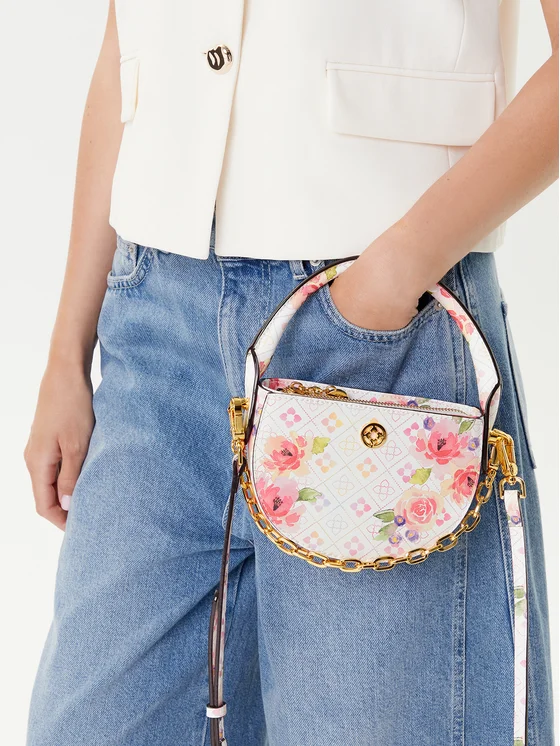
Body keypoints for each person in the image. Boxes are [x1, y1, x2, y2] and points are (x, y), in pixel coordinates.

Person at [25, 1, 557, 744]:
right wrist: (65, 353)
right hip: (153, 332)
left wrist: (392, 272)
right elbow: (128, 41)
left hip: (381, 351)